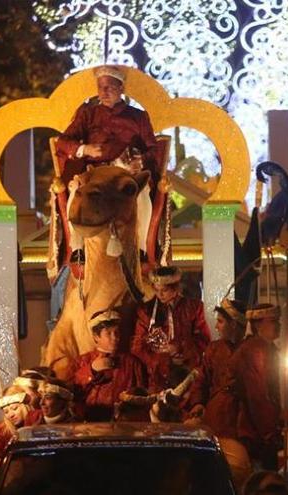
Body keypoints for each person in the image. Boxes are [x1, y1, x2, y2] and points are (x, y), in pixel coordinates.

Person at [55, 65, 163, 268]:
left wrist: (141, 160)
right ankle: (77, 248)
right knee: (74, 191)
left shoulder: (138, 117)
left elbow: (154, 150)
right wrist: (84, 149)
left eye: (110, 87)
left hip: (125, 176)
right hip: (94, 175)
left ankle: (141, 249)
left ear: (121, 88)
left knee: (142, 193)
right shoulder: (88, 114)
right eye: (100, 87)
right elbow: (62, 142)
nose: (103, 93)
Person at [132, 267, 210, 394]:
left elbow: (204, 340)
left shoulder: (194, 307)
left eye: (165, 290)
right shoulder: (146, 311)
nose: (160, 295)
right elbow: (137, 346)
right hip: (157, 378)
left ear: (176, 288)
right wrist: (161, 358)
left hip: (188, 375)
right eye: (156, 290)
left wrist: (180, 347)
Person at [231, 304, 282, 469]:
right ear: (258, 325)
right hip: (253, 429)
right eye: (273, 321)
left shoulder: (266, 348)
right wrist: (268, 430)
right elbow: (257, 394)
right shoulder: (255, 349)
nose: (278, 325)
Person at [73, 309, 147, 421]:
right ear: (96, 336)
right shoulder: (83, 361)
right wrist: (91, 370)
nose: (115, 338)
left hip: (124, 423)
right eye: (108, 333)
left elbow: (142, 394)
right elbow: (74, 393)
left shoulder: (132, 362)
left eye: (116, 332)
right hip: (90, 423)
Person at [187, 298, 246, 437]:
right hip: (216, 416)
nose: (216, 327)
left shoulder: (249, 350)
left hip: (241, 420)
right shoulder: (213, 349)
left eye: (220, 322)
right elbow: (201, 380)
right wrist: (198, 403)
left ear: (234, 324)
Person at [0, 386, 43, 473]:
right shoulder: (4, 431)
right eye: (6, 411)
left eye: (14, 408)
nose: (11, 415)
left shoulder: (38, 419)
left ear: (24, 406)